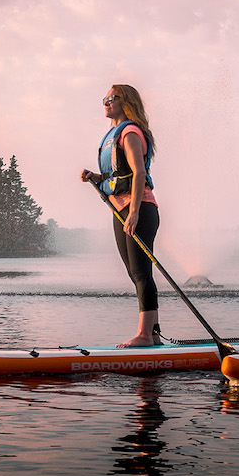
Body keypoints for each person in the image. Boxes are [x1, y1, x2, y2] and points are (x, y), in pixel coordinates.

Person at [79, 84, 160, 348]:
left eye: (112, 98)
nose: (106, 102)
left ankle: (145, 335)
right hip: (121, 209)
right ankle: (154, 333)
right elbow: (117, 175)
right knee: (134, 272)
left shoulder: (130, 132)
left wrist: (134, 211)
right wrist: (95, 177)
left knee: (140, 271)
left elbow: (137, 173)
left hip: (139, 209)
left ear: (125, 102)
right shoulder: (112, 135)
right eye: (104, 98)